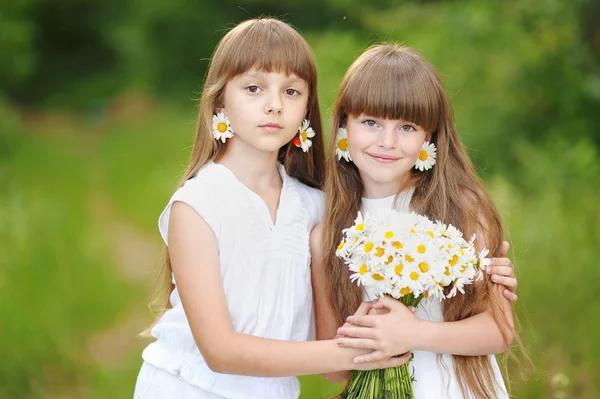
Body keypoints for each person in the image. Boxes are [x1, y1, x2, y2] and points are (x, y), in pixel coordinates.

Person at [133, 20, 408, 399]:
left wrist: (479, 267)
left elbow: (335, 364)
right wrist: (350, 350)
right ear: (219, 102)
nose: (274, 104)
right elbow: (221, 352)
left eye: (292, 91)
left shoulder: (316, 206)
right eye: (253, 88)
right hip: (186, 389)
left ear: (306, 111)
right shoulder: (198, 204)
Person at [311, 44, 519, 399]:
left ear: (429, 136)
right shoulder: (327, 235)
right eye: (371, 122)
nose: (387, 142)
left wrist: (413, 333)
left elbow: (499, 332)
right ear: (344, 124)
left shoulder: (461, 209)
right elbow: (334, 370)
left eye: (406, 126)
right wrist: (366, 331)